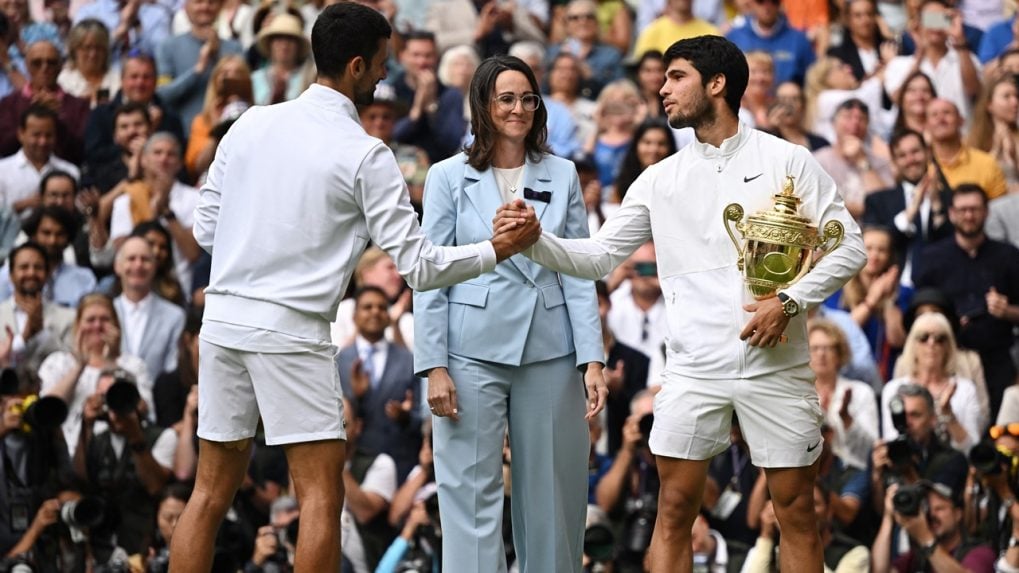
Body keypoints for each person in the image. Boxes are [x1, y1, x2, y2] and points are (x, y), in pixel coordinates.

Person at [167, 4, 541, 572]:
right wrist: (498, 249)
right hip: (290, 332)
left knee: (210, 492)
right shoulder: (366, 154)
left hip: (222, 325)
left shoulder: (249, 124)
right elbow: (419, 266)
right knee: (322, 495)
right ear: (358, 66)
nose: (385, 78)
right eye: (383, 67)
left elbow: (204, 229)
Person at [496, 34, 865, 572]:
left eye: (676, 77)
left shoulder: (789, 160)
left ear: (717, 85)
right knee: (672, 509)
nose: (662, 89)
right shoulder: (658, 178)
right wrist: (535, 240)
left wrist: (788, 300)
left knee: (798, 514)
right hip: (692, 369)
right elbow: (599, 257)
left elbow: (848, 245)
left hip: (777, 366)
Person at [414, 54, 606, 573]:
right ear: (482, 104)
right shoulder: (446, 177)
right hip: (468, 351)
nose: (518, 108)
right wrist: (433, 365)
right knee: (467, 500)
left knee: (554, 498)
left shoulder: (563, 172)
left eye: (527, 98)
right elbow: (430, 274)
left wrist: (592, 359)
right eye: (505, 98)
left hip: (551, 349)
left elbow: (579, 269)